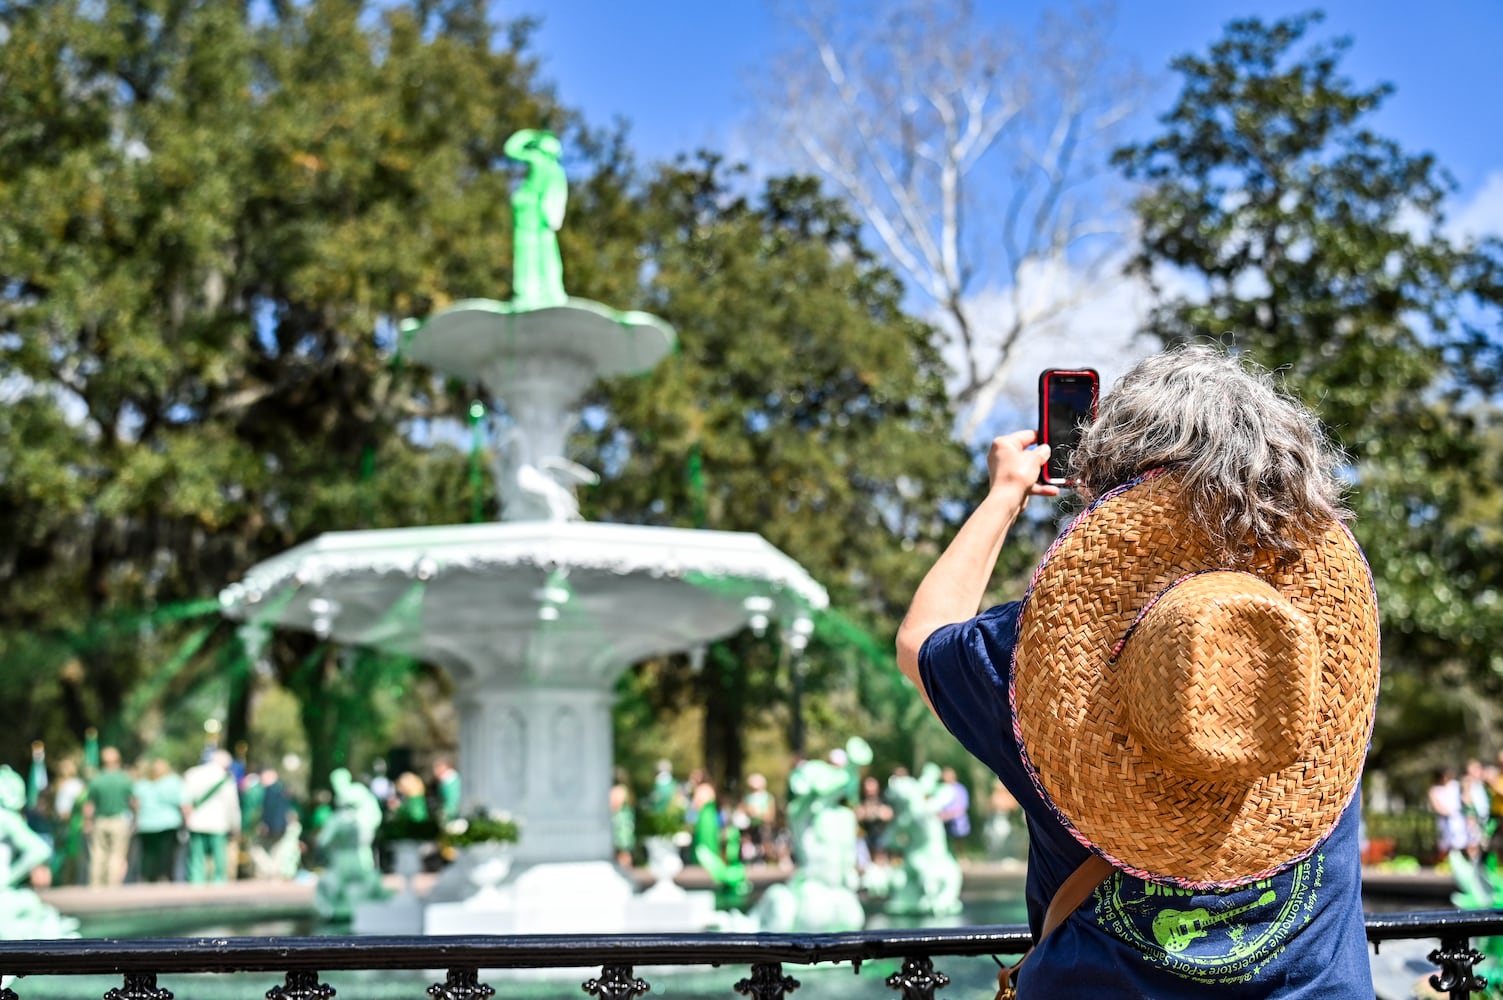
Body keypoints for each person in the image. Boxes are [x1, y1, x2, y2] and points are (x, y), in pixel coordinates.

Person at [897, 345, 1381, 997]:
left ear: (1110, 483)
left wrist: (1004, 496)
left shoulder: (1026, 655)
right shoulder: (1321, 639)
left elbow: (919, 641)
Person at [181, 749, 241, 883]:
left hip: (196, 821)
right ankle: (218, 883)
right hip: (218, 822)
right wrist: (235, 825)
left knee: (196, 856)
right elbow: (232, 805)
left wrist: (185, 819)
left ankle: (197, 882)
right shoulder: (225, 778)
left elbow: (185, 800)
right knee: (219, 857)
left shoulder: (193, 773)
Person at [82, 746, 133, 887]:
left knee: (97, 855)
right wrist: (136, 819)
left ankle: (95, 886)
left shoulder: (96, 779)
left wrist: (87, 822)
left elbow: (89, 805)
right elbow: (133, 801)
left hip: (100, 821)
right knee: (116, 855)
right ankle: (112, 887)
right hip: (119, 821)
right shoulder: (124, 779)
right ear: (118, 761)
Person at [131, 758, 184, 883]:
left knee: (148, 855)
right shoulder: (173, 781)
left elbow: (134, 803)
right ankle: (164, 877)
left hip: (146, 824)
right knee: (166, 854)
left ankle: (147, 878)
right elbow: (183, 802)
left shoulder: (142, 784)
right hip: (168, 823)